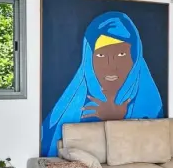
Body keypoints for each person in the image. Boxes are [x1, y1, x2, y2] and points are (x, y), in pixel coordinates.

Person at [41, 12, 163, 156]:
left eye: (121, 55)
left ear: (135, 59)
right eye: (101, 55)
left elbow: (150, 150)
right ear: (89, 59)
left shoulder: (151, 106)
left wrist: (119, 119)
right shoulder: (70, 108)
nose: (111, 66)